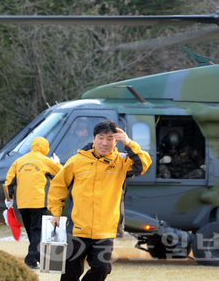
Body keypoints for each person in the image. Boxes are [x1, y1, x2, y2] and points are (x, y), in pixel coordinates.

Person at [47, 120, 152, 281]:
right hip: (77, 228)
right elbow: (58, 187)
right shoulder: (76, 161)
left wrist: (129, 143)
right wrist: (55, 213)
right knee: (70, 272)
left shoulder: (122, 162)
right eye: (101, 138)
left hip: (105, 230)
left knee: (102, 269)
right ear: (94, 138)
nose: (105, 143)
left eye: (110, 139)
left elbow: (143, 165)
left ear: (116, 141)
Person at [4, 137, 62, 269]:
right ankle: (30, 259)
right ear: (44, 147)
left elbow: (8, 181)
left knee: (31, 231)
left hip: (23, 203)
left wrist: (9, 199)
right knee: (37, 231)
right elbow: (62, 173)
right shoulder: (45, 160)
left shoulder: (19, 161)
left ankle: (38, 256)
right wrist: (57, 163)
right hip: (38, 201)